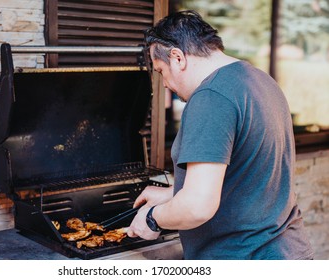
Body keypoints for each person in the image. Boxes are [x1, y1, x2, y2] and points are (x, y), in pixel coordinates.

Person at [127, 10, 313, 260]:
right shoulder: (258, 80)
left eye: (161, 71)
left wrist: (152, 219)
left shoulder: (210, 97)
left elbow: (197, 206)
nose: (165, 84)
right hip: (289, 253)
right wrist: (174, 193)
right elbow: (248, 176)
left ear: (177, 57)